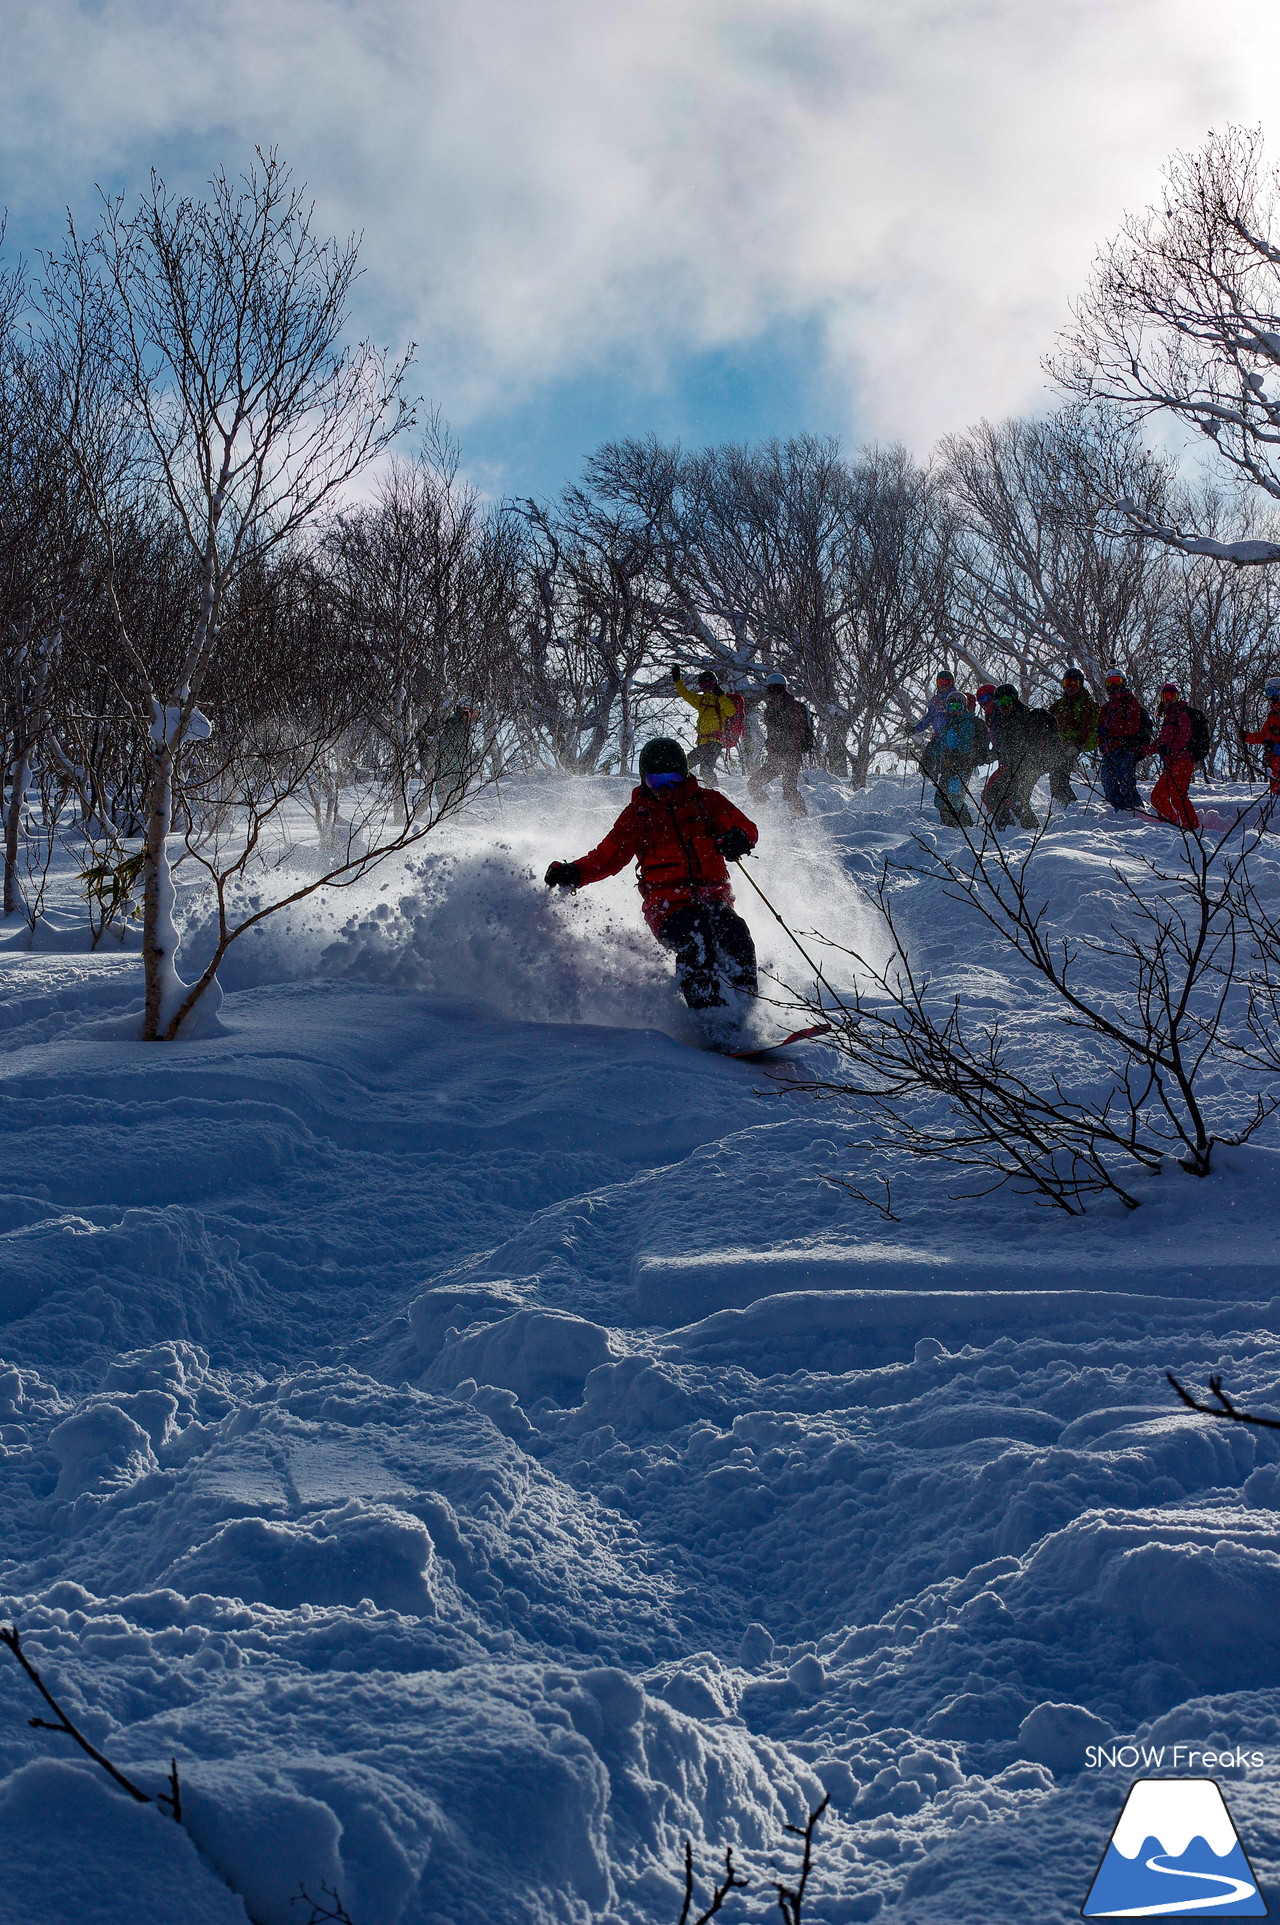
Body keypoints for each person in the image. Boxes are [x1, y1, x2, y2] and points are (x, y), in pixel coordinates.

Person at [544, 736, 759, 1010]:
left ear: (684, 774)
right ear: (645, 780)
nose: (666, 788)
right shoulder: (638, 816)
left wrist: (738, 838)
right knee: (697, 938)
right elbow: (607, 857)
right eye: (657, 781)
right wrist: (573, 872)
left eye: (672, 778)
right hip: (667, 909)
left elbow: (746, 827)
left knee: (734, 932)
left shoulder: (707, 803)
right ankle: (708, 1017)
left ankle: (746, 1008)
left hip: (713, 899)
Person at [980, 684, 1057, 829]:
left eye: (1006, 700)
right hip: (1013, 766)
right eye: (998, 702)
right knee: (995, 795)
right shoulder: (1004, 721)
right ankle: (1008, 826)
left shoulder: (1025, 717)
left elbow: (1028, 745)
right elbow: (1003, 748)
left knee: (1010, 797)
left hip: (1024, 766)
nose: (1003, 706)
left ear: (1014, 699)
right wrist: (989, 756)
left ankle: (1025, 827)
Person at [746, 671, 813, 819]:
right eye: (772, 689)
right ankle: (765, 814)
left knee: (788, 790)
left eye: (778, 689)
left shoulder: (792, 707)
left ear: (784, 689)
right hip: (777, 758)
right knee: (754, 784)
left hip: (790, 757)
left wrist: (784, 746)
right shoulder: (770, 709)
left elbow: (796, 732)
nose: (774, 693)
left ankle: (801, 818)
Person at [1141, 681, 1199, 829]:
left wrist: (1172, 749)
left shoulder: (1181, 714)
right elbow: (1162, 741)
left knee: (1177, 797)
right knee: (1158, 797)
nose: (1168, 700)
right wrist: (1144, 750)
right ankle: (1170, 825)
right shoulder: (1169, 718)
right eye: (1165, 697)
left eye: (1172, 696)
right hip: (1172, 763)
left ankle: (1191, 827)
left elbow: (1185, 735)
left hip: (1183, 761)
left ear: (1177, 697)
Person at [671, 665, 739, 786]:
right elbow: (685, 693)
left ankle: (716, 795)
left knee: (706, 770)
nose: (707, 688)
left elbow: (731, 711)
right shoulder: (701, 700)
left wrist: (721, 696)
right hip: (702, 743)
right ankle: (679, 793)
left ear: (715, 683)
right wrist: (677, 680)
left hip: (715, 742)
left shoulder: (722, 699)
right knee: (683, 767)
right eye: (703, 685)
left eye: (709, 684)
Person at [1095, 671, 1151, 812]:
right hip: (1109, 750)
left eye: (1117, 681)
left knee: (1126, 782)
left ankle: (1136, 811)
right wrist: (1102, 744)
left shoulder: (1130, 702)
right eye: (1110, 682)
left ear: (1124, 682)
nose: (1114, 685)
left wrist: (1111, 732)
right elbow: (1099, 729)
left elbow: (1132, 726)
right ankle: (1120, 812)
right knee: (1108, 782)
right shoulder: (1106, 708)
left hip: (1125, 748)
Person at [923, 692, 978, 825]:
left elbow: (967, 742)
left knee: (954, 796)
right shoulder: (948, 725)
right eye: (951, 707)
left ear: (963, 707)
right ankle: (951, 826)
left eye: (957, 707)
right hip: (948, 767)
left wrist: (958, 755)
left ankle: (965, 827)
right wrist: (929, 758)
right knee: (941, 799)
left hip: (962, 766)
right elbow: (939, 744)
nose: (953, 711)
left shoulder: (967, 723)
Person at [1047, 669, 1099, 805]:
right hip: (1060, 745)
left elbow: (1087, 728)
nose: (1070, 686)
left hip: (1072, 745)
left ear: (1080, 685)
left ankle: (1071, 806)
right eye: (1067, 682)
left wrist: (1077, 745)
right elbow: (1046, 716)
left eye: (1074, 683)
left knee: (1059, 777)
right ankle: (1068, 805)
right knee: (1056, 777)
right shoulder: (1061, 703)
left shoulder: (1085, 703)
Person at [431, 700, 481, 813]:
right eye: (472, 714)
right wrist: (471, 759)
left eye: (476, 714)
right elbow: (450, 751)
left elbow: (462, 752)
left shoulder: (463, 728)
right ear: (464, 712)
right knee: (448, 807)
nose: (473, 718)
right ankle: (446, 828)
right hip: (449, 774)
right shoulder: (455, 726)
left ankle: (450, 827)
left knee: (454, 806)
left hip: (457, 773)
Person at [1243, 678, 1280, 796]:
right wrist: (1247, 737)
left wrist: (1276, 747)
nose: (1271, 696)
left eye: (1273, 691)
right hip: (1274, 761)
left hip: (1277, 758)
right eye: (1268, 692)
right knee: (1276, 792)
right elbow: (1264, 735)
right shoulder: (1273, 714)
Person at [913, 671, 960, 741]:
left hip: (953, 736)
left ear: (951, 683)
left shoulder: (956, 697)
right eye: (941, 682)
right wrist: (916, 729)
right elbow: (929, 718)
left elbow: (958, 715)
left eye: (946, 682)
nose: (944, 685)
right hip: (939, 737)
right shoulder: (935, 700)